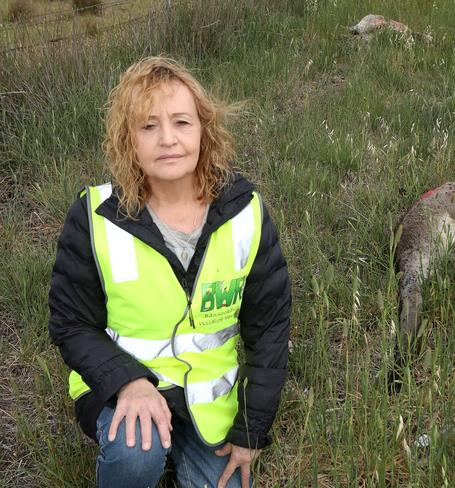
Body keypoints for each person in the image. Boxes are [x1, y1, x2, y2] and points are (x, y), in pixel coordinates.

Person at [48, 56, 291, 488]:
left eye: (181, 122)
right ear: (129, 140)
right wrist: (127, 382)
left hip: (208, 406)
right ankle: (137, 454)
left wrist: (250, 429)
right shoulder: (95, 216)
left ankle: (184, 449)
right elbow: (71, 324)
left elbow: (269, 326)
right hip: (120, 387)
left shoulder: (246, 213)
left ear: (203, 130)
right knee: (136, 453)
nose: (167, 140)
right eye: (148, 126)